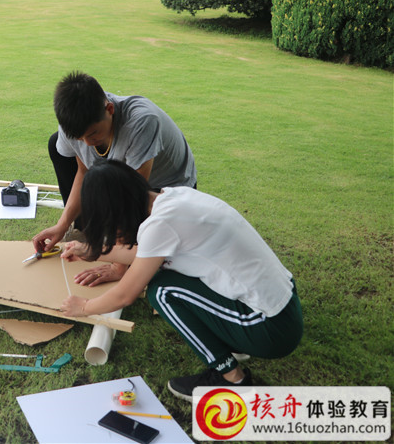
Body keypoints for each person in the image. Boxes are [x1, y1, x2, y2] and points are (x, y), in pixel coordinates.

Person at [60, 160, 303, 401]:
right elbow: (146, 254)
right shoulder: (173, 197)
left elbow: (126, 294)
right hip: (282, 306)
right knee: (167, 278)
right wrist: (90, 251)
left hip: (270, 329)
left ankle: (232, 379)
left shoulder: (160, 225)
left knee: (162, 291)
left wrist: (84, 307)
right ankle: (233, 340)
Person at [33, 71, 196, 287]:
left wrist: (118, 264)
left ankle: (119, 243)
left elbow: (131, 197)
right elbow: (83, 171)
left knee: (159, 257)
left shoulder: (142, 122)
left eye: (93, 134)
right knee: (56, 144)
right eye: (80, 138)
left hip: (165, 189)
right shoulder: (72, 124)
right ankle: (86, 230)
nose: (87, 143)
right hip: (122, 181)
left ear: (109, 109)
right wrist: (61, 226)